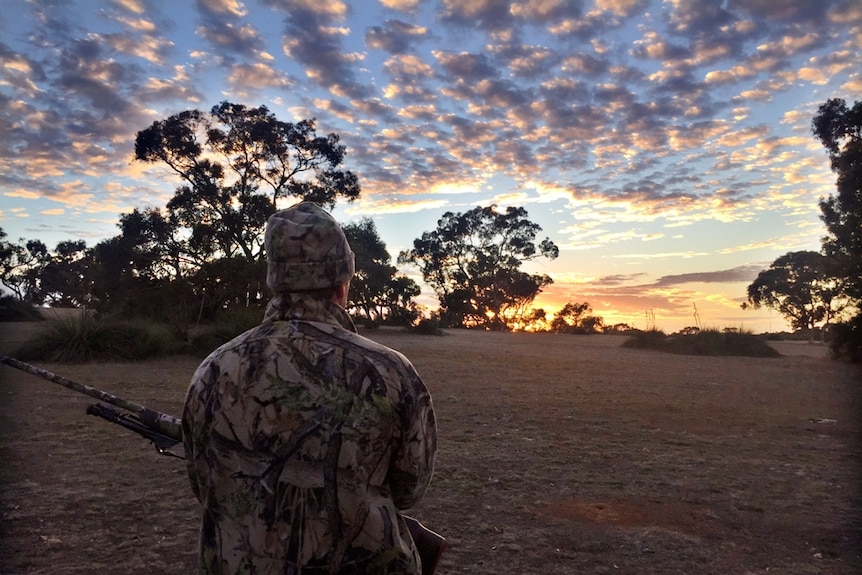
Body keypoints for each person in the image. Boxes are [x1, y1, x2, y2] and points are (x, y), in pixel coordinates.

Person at [182, 202, 438, 575]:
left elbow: (202, 482)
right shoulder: (389, 371)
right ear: (342, 281)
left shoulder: (213, 368)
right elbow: (410, 489)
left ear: (275, 281)